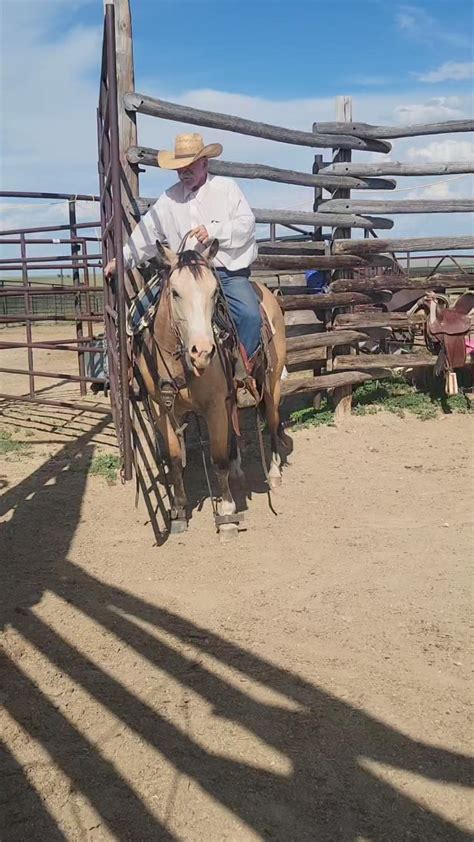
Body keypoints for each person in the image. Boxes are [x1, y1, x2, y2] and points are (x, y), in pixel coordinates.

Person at [104, 132, 262, 373]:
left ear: (205, 163)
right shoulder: (169, 199)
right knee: (137, 315)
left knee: (250, 315)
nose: (184, 172)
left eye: (189, 166)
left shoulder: (226, 189)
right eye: (179, 168)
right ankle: (137, 376)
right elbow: (147, 234)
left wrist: (213, 231)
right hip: (181, 274)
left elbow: (246, 224)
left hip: (224, 271)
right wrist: (123, 259)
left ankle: (242, 371)